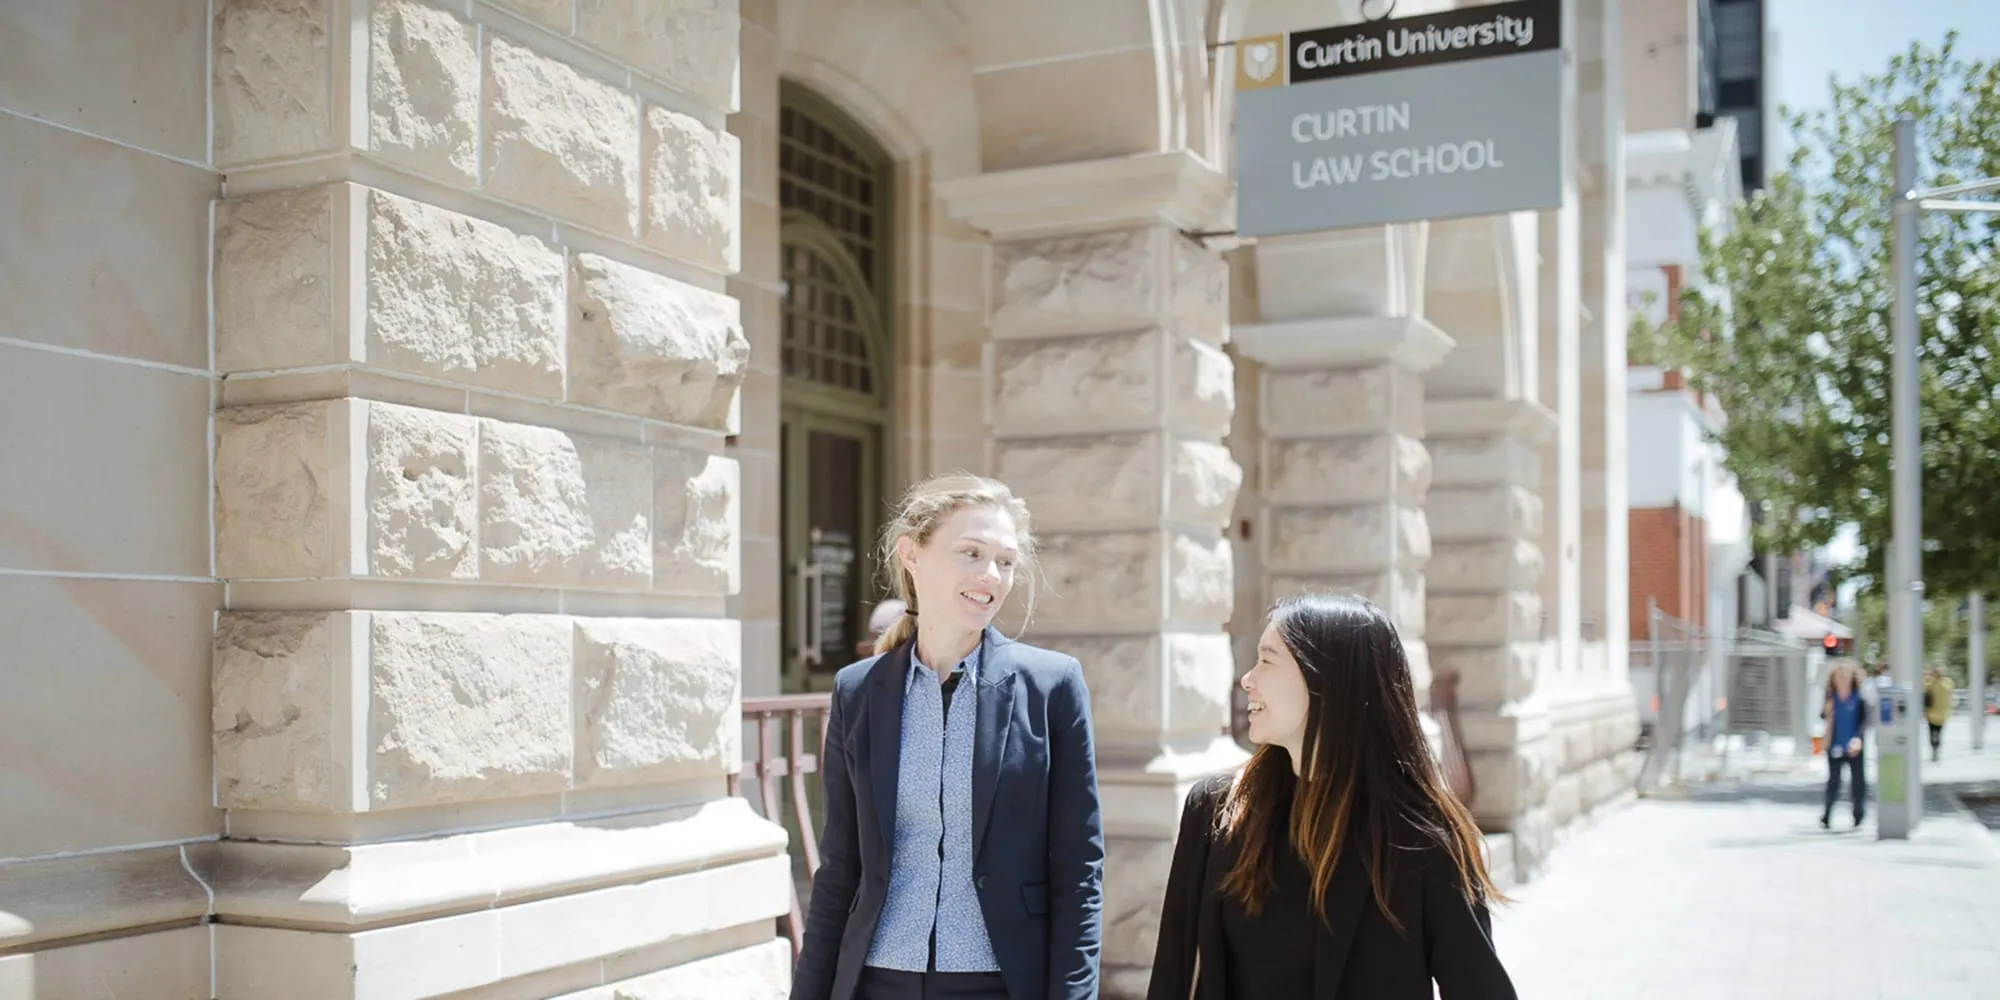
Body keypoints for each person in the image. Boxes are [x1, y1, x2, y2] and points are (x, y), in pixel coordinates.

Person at [791, 474, 1104, 1000]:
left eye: (1005, 561)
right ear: (912, 555)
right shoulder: (858, 691)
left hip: (1000, 983)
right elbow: (840, 869)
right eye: (971, 553)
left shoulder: (1052, 686)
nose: (992, 575)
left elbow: (1079, 872)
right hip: (875, 980)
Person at [1147, 593, 1516, 1000]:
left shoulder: (1419, 836)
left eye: (1267, 661)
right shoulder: (1215, 809)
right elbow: (1172, 974)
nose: (1247, 679)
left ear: (1326, 680)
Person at [1820, 662, 1870, 830]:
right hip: (1835, 744)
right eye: (1839, 675)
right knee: (1833, 781)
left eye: (1845, 675)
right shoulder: (1830, 698)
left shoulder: (1859, 698)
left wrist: (1858, 739)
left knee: (1858, 782)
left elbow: (1864, 721)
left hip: (1853, 746)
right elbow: (1823, 716)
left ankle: (1858, 814)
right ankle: (1827, 814)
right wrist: (1828, 708)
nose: (1842, 678)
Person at [1923, 668, 1955, 762]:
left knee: (1932, 732)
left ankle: (1934, 749)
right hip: (1942, 714)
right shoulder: (1948, 683)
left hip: (1931, 714)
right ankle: (1936, 750)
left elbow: (1923, 689)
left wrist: (1927, 678)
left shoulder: (1931, 684)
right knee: (1938, 733)